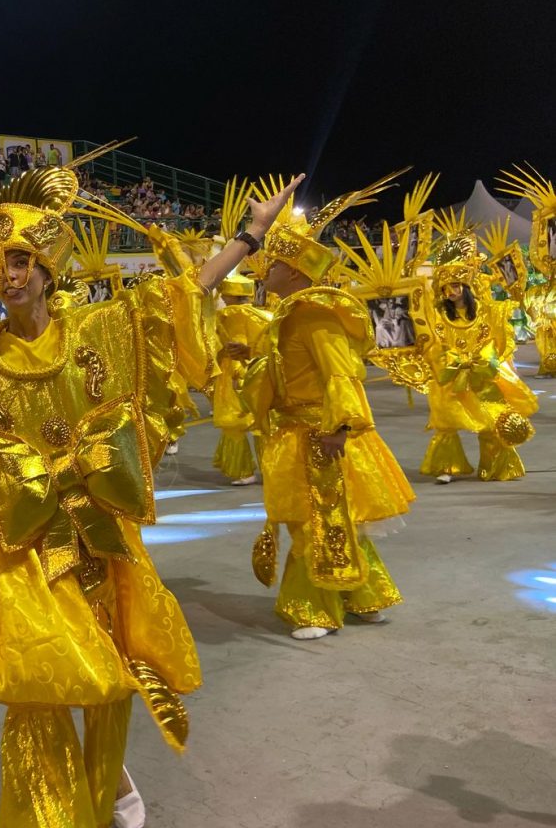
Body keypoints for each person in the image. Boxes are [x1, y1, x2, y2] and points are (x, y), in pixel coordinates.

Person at [0, 165, 302, 827]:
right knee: (37, 690)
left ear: (49, 266)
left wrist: (250, 236)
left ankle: (106, 780)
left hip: (99, 543)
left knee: (106, 677)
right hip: (21, 554)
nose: (10, 275)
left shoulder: (101, 331)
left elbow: (184, 291)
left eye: (23, 260)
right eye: (0, 261)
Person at [242, 177, 415, 642]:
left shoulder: (313, 313)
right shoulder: (290, 313)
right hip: (299, 430)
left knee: (314, 520)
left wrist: (339, 426)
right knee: (329, 519)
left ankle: (313, 607)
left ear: (295, 272)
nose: (264, 269)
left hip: (320, 435)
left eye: (273, 262)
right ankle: (364, 596)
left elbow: (340, 370)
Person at [420, 234, 536, 483]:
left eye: (456, 286)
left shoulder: (483, 311)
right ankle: (447, 467)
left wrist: (481, 360)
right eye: (446, 288)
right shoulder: (439, 315)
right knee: (447, 423)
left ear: (465, 287)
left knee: (490, 420)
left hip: (481, 375)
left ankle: (495, 466)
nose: (451, 292)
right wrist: (452, 360)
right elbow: (434, 343)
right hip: (451, 376)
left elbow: (494, 338)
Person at [211, 274, 272, 485]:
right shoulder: (263, 314)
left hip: (237, 370)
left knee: (234, 423)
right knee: (262, 424)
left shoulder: (232, 314)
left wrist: (238, 375)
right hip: (261, 368)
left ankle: (243, 471)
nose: (223, 297)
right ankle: (271, 469)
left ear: (231, 294)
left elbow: (237, 345)